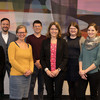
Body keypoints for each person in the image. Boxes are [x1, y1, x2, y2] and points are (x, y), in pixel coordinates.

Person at [40, 22, 68, 100]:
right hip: (47, 72)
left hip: (59, 72)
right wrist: (47, 70)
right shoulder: (44, 42)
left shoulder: (63, 42)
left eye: (56, 29)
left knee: (58, 94)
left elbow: (65, 58)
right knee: (49, 93)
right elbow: (42, 58)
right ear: (49, 30)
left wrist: (58, 70)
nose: (54, 31)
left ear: (58, 30)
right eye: (52, 29)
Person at [8, 25, 34, 100]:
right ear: (16, 34)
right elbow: (12, 60)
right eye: (19, 32)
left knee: (24, 97)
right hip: (16, 76)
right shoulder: (13, 45)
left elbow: (31, 60)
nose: (21, 34)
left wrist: (31, 70)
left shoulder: (29, 46)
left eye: (23, 32)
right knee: (16, 98)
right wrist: (24, 70)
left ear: (26, 33)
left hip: (27, 76)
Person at [64, 22, 85, 100]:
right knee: (70, 86)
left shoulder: (82, 39)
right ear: (69, 30)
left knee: (78, 86)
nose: (72, 30)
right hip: (68, 66)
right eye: (71, 28)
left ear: (77, 29)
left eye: (74, 28)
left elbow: (84, 54)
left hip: (78, 66)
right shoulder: (65, 39)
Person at [79, 23, 100, 100]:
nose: (90, 32)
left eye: (92, 30)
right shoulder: (85, 42)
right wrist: (81, 71)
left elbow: (97, 61)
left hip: (94, 73)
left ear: (96, 31)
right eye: (89, 30)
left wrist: (85, 71)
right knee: (80, 95)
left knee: (93, 96)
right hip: (83, 74)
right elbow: (80, 58)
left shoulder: (99, 43)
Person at [26, 20, 46, 100]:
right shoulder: (29, 38)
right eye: (35, 26)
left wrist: (40, 61)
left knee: (41, 85)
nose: (37, 28)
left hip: (42, 65)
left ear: (41, 27)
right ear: (33, 27)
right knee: (31, 85)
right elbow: (28, 52)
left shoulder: (45, 38)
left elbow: (46, 52)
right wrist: (35, 62)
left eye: (39, 26)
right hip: (32, 65)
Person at [0, 18, 17, 95]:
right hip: (0, 64)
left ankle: (14, 97)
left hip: (11, 63)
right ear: (1, 25)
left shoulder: (14, 37)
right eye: (3, 24)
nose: (5, 26)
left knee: (14, 82)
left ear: (9, 26)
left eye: (7, 24)